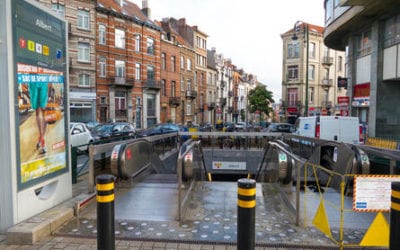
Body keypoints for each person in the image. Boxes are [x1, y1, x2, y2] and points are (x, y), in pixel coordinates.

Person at [29, 81, 48, 154]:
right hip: (33, 79)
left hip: (43, 78)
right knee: (38, 109)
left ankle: (41, 140)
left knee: (43, 109)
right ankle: (42, 140)